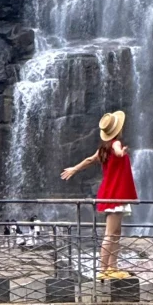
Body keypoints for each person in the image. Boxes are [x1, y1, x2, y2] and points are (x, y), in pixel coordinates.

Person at [61, 110, 138, 279]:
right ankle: (103, 270)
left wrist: (74, 168)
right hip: (116, 194)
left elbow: (89, 160)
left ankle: (113, 267)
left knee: (116, 232)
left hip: (114, 193)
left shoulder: (103, 149)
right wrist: (121, 153)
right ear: (117, 130)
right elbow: (117, 151)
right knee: (110, 233)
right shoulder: (115, 144)